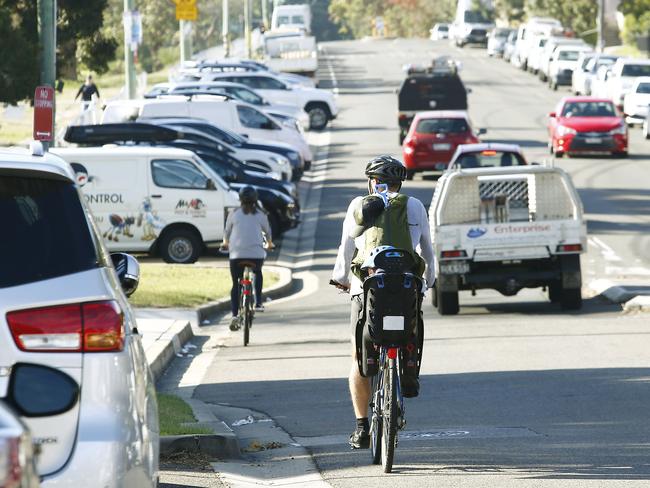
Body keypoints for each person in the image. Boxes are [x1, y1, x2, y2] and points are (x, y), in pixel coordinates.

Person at [331, 155, 435, 449]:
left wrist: (342, 278)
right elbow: (427, 250)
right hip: (406, 286)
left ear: (371, 183)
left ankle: (362, 426)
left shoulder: (358, 206)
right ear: (399, 183)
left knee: (358, 357)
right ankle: (411, 372)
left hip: (367, 289)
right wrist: (429, 280)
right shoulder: (414, 206)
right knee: (412, 330)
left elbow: (346, 247)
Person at [221, 186, 273, 331]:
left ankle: (234, 314)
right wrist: (269, 243)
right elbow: (267, 232)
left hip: (236, 255)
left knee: (235, 284)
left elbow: (227, 232)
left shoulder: (234, 214)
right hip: (256, 255)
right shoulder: (261, 215)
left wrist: (225, 243)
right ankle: (257, 302)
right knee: (257, 272)